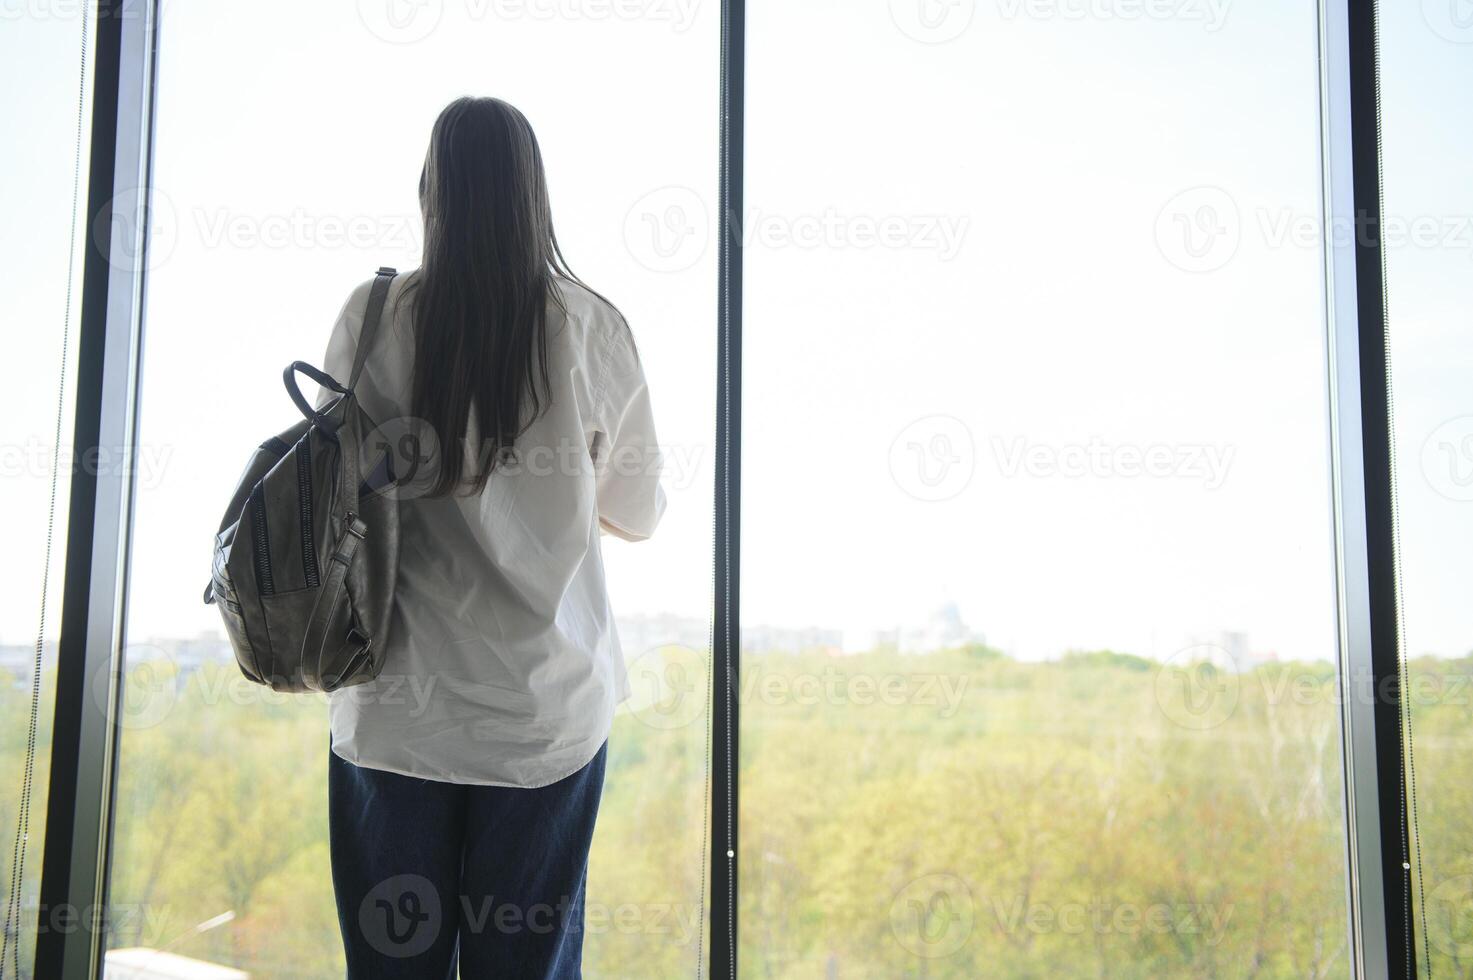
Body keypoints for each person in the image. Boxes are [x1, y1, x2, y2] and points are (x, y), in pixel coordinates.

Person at [319, 96, 664, 978]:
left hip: (397, 713)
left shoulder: (373, 315)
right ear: (531, 196)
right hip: (539, 718)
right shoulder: (588, 326)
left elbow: (327, 495)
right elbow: (638, 511)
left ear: (431, 190)